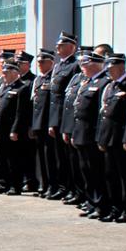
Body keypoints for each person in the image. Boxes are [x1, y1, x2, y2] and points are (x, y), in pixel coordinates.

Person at [95, 53, 126, 223]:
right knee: (111, 176)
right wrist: (101, 139)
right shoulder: (111, 86)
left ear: (120, 67)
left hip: (122, 140)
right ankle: (115, 209)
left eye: (111, 68)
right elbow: (104, 114)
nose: (108, 71)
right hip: (109, 139)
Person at [69, 53, 111, 218]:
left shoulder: (103, 83)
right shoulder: (88, 82)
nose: (82, 68)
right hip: (81, 133)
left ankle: (101, 205)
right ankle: (91, 202)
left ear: (96, 64)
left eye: (85, 64)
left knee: (96, 171)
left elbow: (101, 113)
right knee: (86, 170)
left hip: (92, 134)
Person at [47, 34, 84, 201]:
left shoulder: (75, 65)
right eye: (57, 45)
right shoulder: (58, 66)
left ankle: (73, 189)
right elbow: (53, 97)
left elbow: (70, 96)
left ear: (71, 47)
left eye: (61, 45)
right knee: (60, 157)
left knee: (70, 158)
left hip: (66, 116)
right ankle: (63, 187)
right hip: (57, 117)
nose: (57, 48)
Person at [0, 51, 31, 195]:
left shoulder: (22, 88)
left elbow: (20, 113)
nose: (4, 74)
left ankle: (15, 185)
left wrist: (15, 130)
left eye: (7, 71)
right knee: (2, 159)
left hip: (11, 131)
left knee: (14, 159)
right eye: (3, 71)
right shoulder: (3, 87)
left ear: (15, 72)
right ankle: (3, 183)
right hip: (0, 129)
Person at [27, 50, 58, 197]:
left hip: (48, 125)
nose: (40, 65)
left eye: (42, 62)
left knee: (50, 158)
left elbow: (54, 104)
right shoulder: (38, 80)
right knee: (40, 158)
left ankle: (52, 186)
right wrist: (32, 125)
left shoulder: (54, 78)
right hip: (38, 124)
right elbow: (34, 104)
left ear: (51, 62)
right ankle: (43, 185)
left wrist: (52, 123)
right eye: (38, 62)